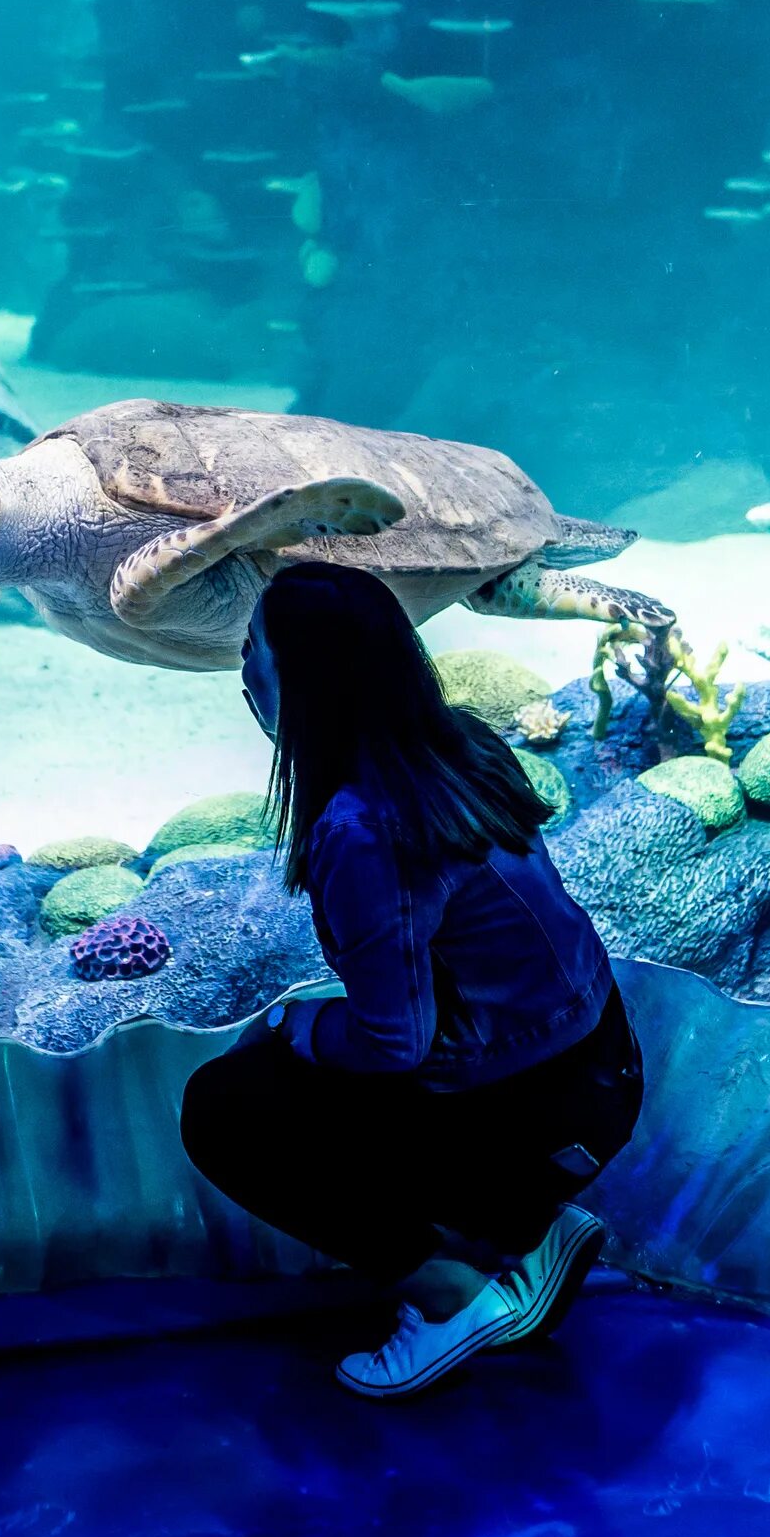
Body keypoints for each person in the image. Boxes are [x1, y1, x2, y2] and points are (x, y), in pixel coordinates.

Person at [180, 561, 644, 1398]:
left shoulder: (362, 824)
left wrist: (297, 1031)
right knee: (308, 1048)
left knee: (226, 1106)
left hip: (540, 1104)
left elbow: (395, 1046)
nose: (242, 666)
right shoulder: (456, 741)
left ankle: (452, 1299)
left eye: (254, 647)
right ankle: (523, 1229)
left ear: (306, 676)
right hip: (602, 1072)